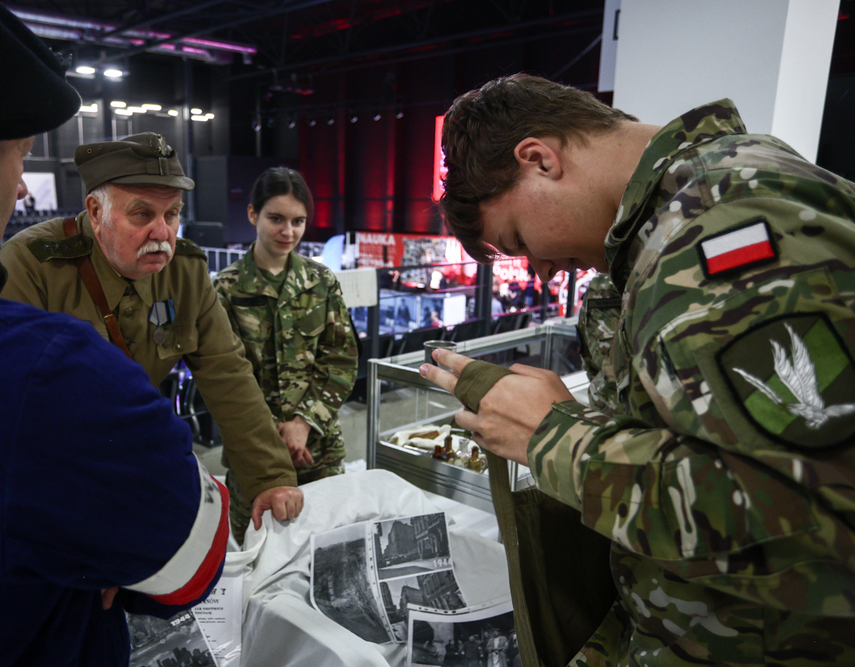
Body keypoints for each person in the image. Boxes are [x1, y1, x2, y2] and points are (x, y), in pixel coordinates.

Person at [422, 73, 855, 664]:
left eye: (520, 239)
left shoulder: (726, 229)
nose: (544, 271)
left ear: (539, 159)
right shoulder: (670, 232)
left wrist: (557, 439)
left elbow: (815, 516)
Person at [0, 2, 228, 665]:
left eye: (169, 214)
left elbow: (224, 367)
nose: (22, 184)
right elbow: (191, 558)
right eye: (21, 153)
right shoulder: (36, 369)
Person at [0, 134, 303, 545]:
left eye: (172, 214)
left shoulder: (185, 271)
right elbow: (6, 409)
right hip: (51, 476)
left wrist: (270, 477)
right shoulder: (32, 266)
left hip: (133, 466)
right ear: (95, 211)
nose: (162, 232)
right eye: (142, 214)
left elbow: (227, 373)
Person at [213, 167, 358, 527]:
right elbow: (226, 381)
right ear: (252, 214)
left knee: (330, 550)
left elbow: (341, 361)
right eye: (276, 218)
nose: (288, 232)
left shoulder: (321, 281)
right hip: (256, 457)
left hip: (319, 450)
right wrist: (276, 433)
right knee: (258, 558)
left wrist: (303, 423)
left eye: (298, 221)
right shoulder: (225, 290)